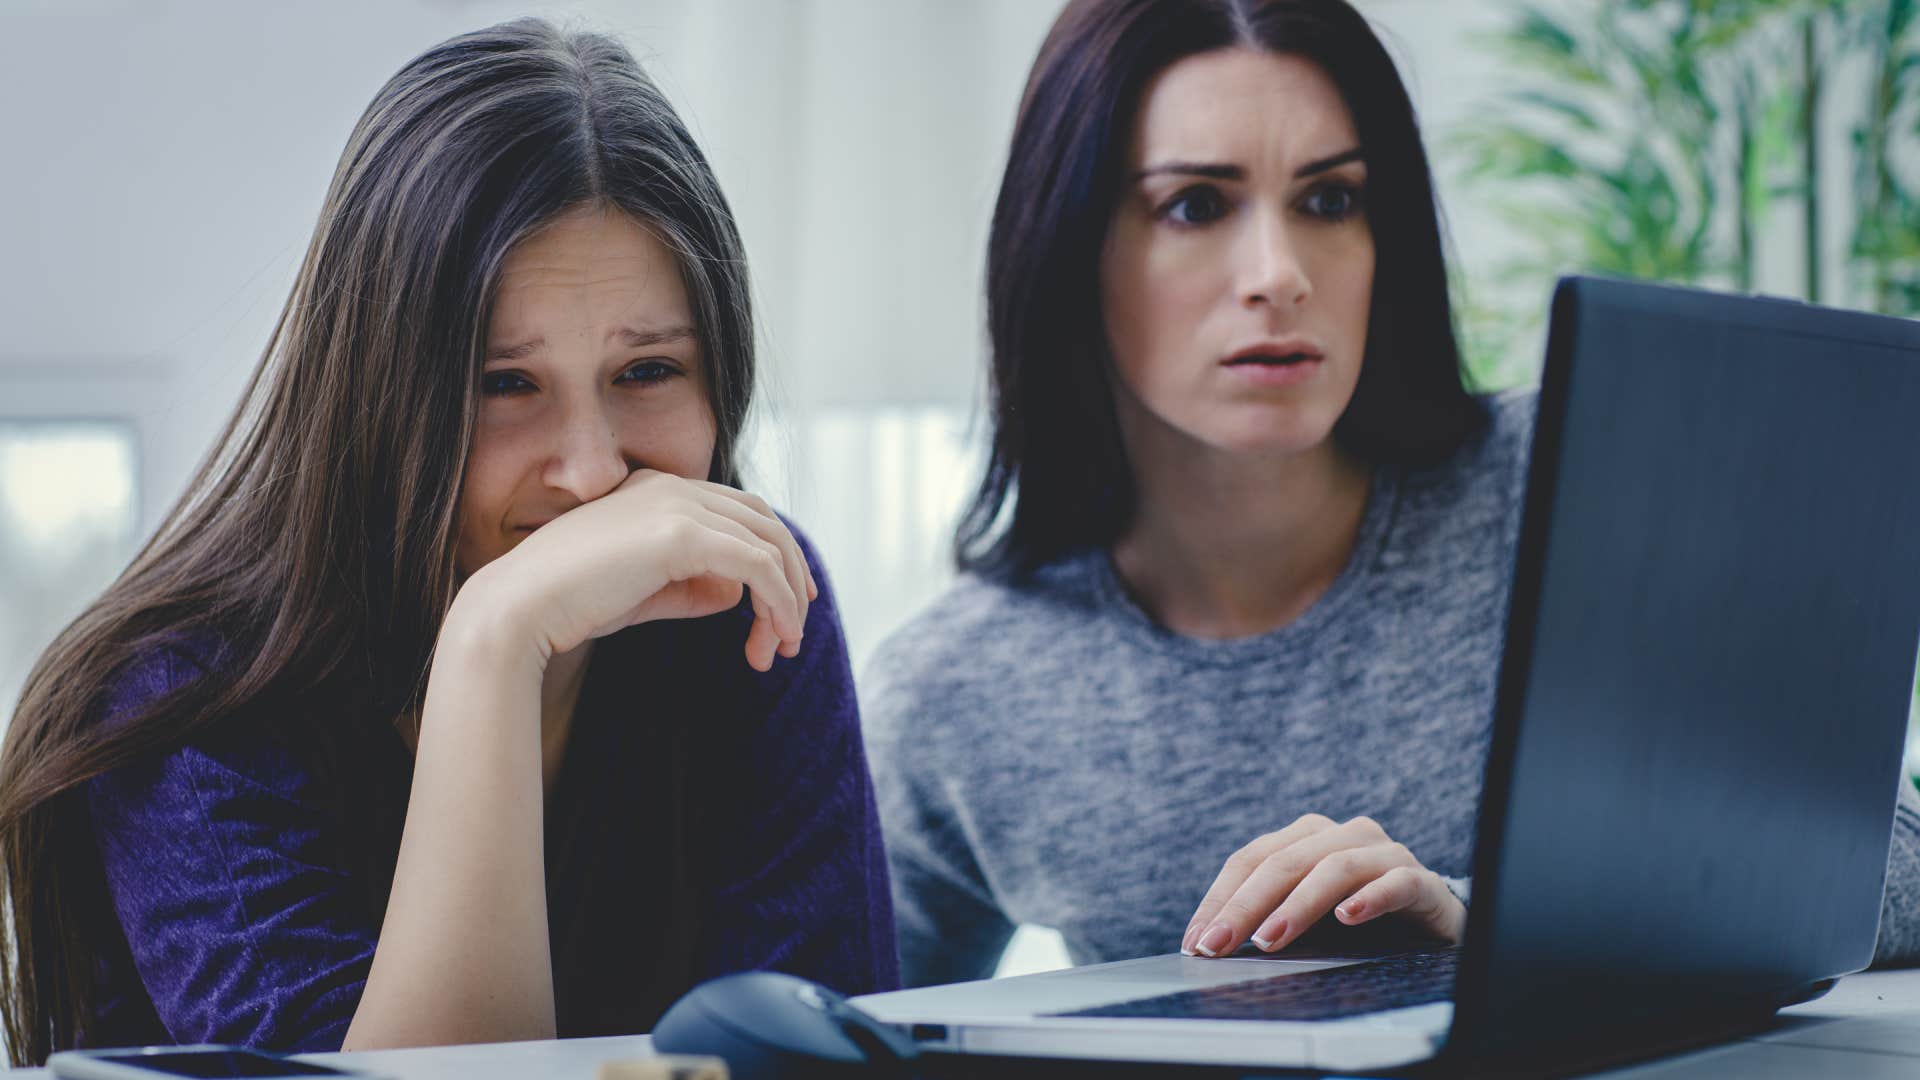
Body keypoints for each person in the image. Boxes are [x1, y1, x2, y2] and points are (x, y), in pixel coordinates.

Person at [861, 0, 1920, 987]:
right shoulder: (961, 689)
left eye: (1331, 200)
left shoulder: (1572, 492)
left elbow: (1890, 863)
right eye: (1194, 204)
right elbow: (808, 1028)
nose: (1279, 271)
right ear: (1066, 251)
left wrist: (1484, 922)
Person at [0, 18, 895, 1066]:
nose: (594, 473)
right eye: (503, 384)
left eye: (647, 371)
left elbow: (816, 1049)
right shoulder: (183, 703)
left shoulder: (748, 604)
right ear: (384, 392)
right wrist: (494, 644)